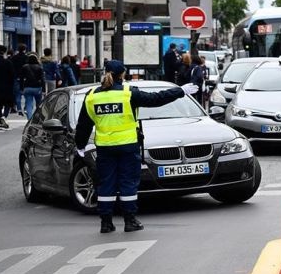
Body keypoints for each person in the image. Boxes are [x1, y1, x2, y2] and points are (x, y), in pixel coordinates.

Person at [74, 60, 199, 233]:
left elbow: (83, 124)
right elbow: (156, 99)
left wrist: (80, 145)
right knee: (128, 184)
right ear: (122, 75)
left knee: (106, 185)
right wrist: (180, 91)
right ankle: (130, 221)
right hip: (128, 146)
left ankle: (106, 223)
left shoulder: (92, 96)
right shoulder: (128, 93)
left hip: (104, 148)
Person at [19, 53, 46, 120]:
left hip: (27, 87)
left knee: (28, 104)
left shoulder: (24, 67)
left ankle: (30, 119)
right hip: (37, 87)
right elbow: (43, 79)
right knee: (38, 104)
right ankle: (38, 118)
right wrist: (44, 90)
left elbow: (21, 78)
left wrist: (21, 88)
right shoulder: (40, 67)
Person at [10, 43, 28, 116]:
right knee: (27, 95)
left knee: (18, 95)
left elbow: (11, 68)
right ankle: (26, 108)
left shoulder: (14, 58)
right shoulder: (26, 58)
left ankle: (19, 109)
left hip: (16, 78)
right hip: (25, 78)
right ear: (24, 50)